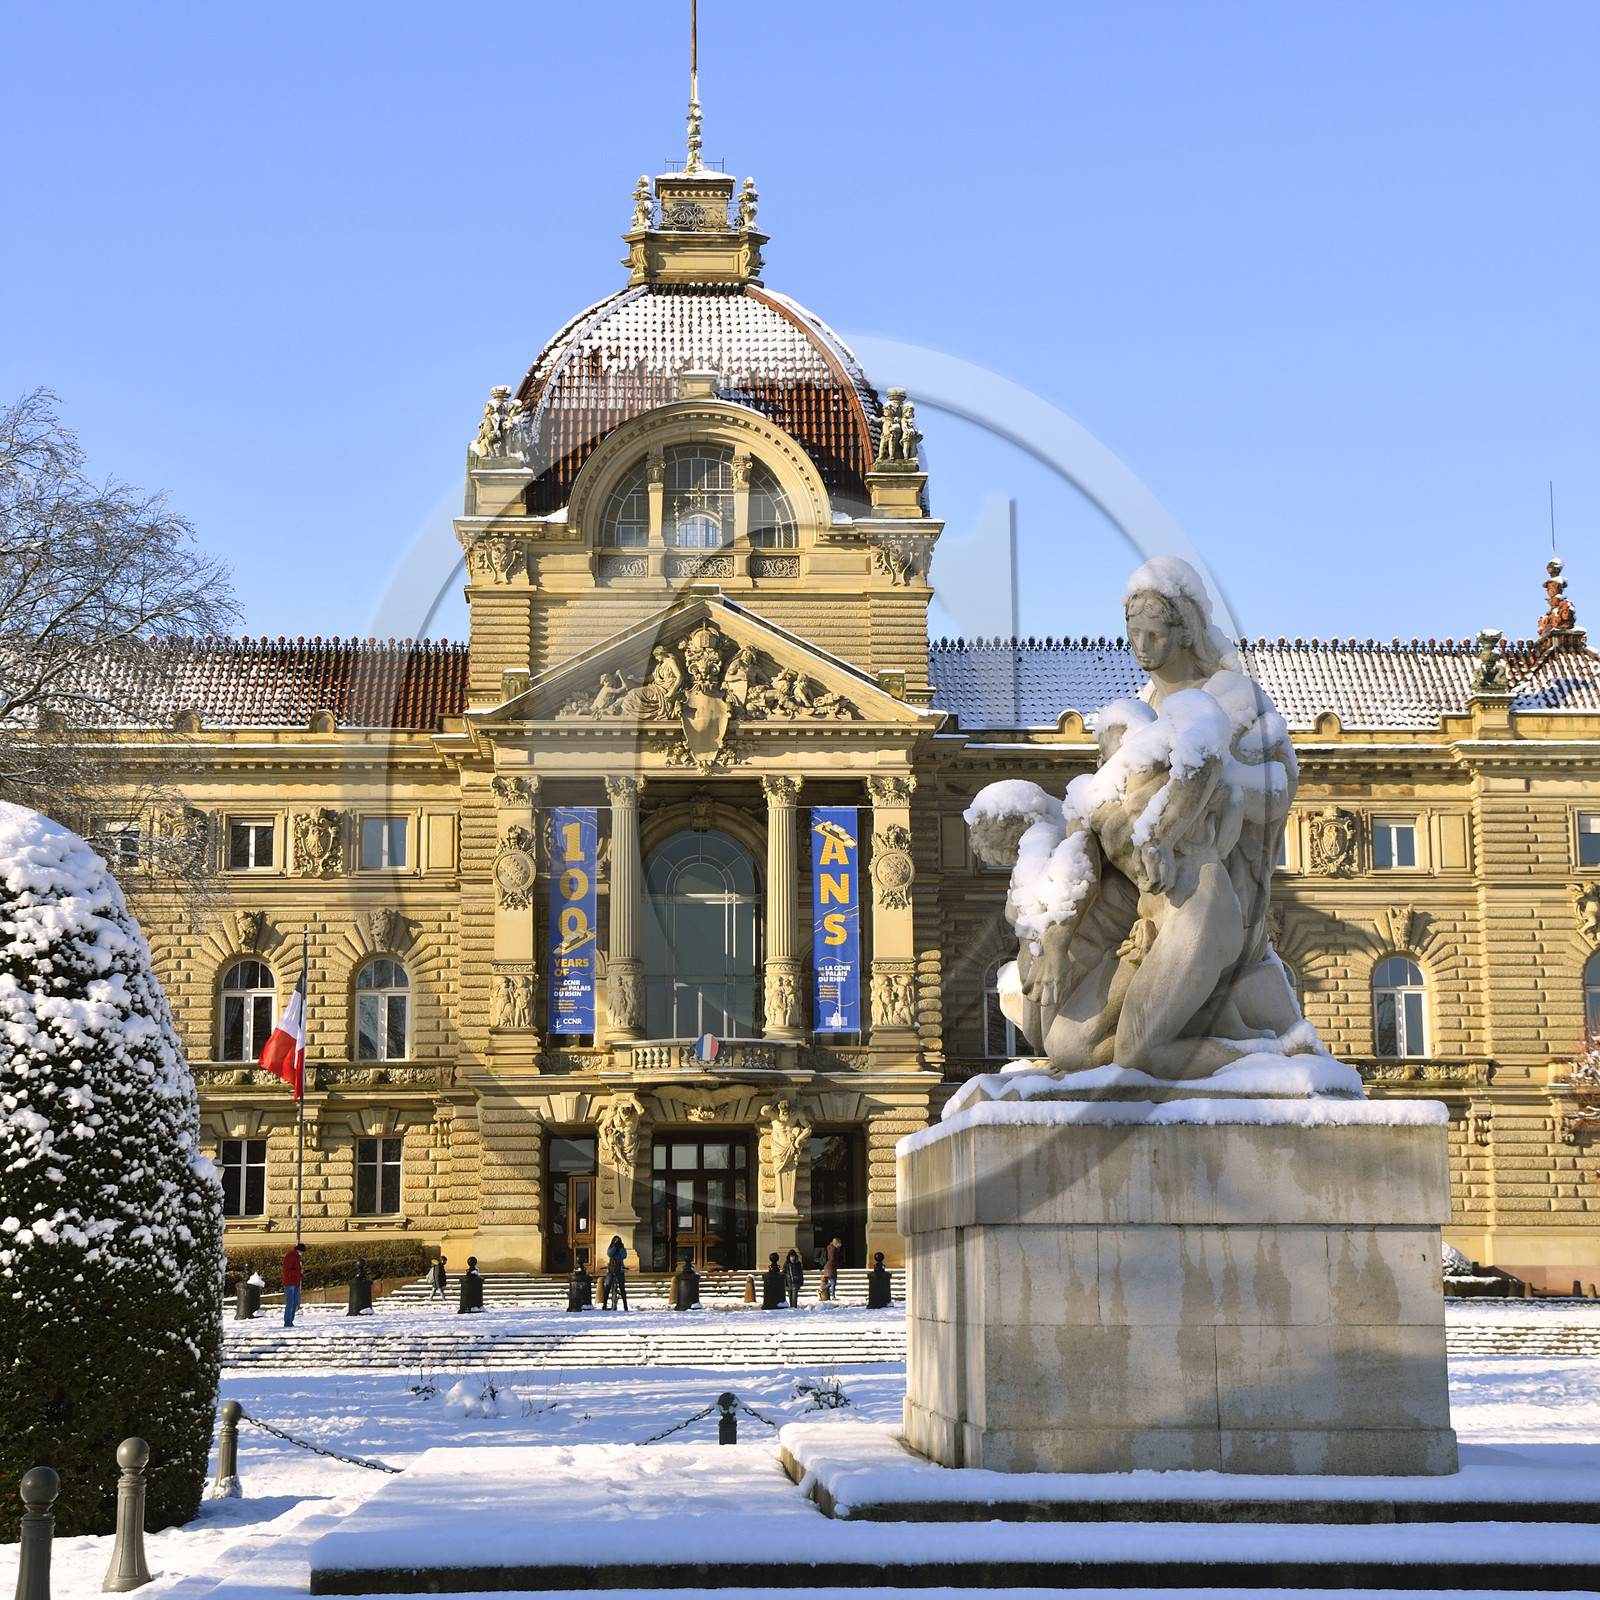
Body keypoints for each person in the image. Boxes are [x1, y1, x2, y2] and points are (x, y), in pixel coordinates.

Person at [603, 1235, 629, 1311]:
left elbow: (624, 1256)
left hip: (620, 1269)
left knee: (622, 1287)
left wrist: (620, 1247)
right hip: (611, 1269)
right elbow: (609, 1254)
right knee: (607, 1286)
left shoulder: (622, 1248)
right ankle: (604, 1304)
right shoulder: (611, 1247)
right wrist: (614, 1246)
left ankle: (625, 1305)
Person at [281, 1242, 304, 1327]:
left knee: (295, 1303)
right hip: (290, 1282)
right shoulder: (291, 1256)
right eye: (302, 1252)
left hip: (295, 1281)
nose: (302, 1254)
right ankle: (288, 1322)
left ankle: (290, 1321)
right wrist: (299, 1272)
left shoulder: (296, 1257)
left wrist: (301, 1273)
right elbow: (287, 1271)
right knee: (290, 1302)